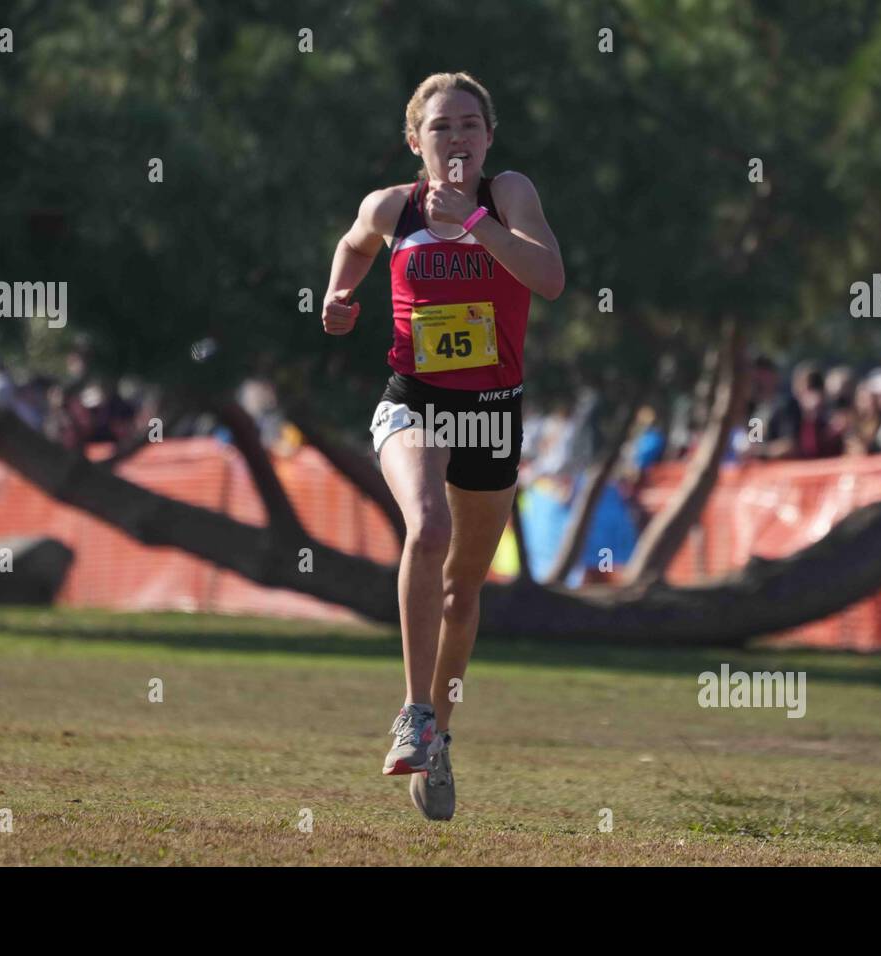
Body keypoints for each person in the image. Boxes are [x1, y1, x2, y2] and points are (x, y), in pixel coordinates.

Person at [321, 72, 563, 821]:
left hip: (491, 411)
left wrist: (479, 225)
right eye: (439, 127)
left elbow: (549, 279)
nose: (454, 138)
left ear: (489, 137)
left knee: (463, 592)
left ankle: (441, 735)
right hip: (414, 404)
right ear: (414, 140)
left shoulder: (509, 195)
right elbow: (355, 243)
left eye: (467, 125)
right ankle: (413, 713)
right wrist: (338, 294)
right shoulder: (392, 206)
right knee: (427, 528)